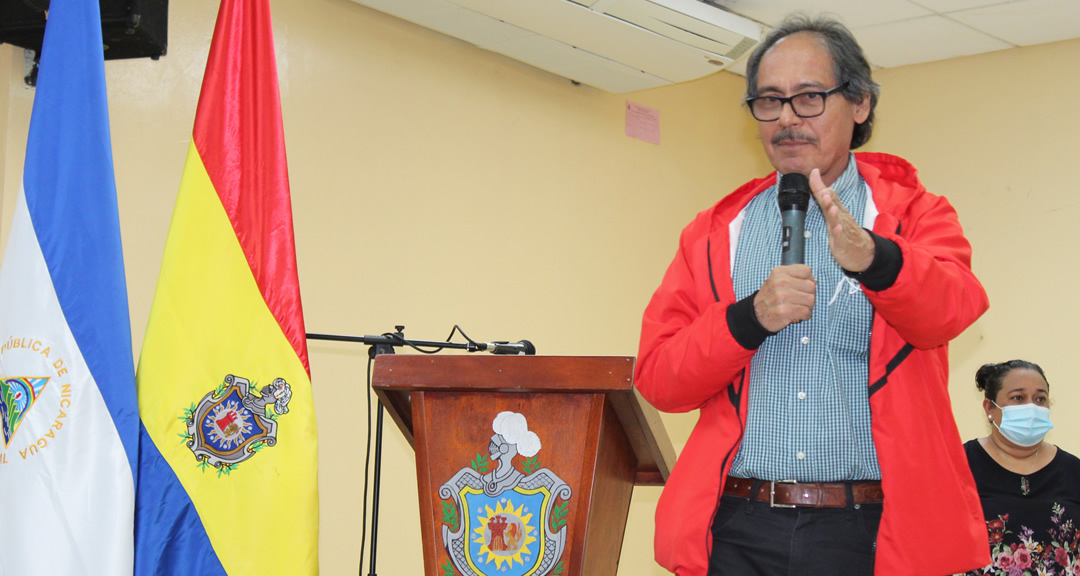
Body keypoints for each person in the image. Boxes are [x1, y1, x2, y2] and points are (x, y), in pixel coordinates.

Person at [634, 13, 991, 576]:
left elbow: (951, 311)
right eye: (769, 101)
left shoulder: (912, 214)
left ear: (860, 104)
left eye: (808, 98)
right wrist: (747, 319)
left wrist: (876, 258)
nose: (786, 119)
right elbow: (659, 378)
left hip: (869, 532)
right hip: (737, 527)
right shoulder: (714, 232)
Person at [961, 360, 1080, 575]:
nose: (1031, 407)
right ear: (990, 407)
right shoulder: (959, 466)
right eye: (1018, 398)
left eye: (1040, 399)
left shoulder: (1073, 471)